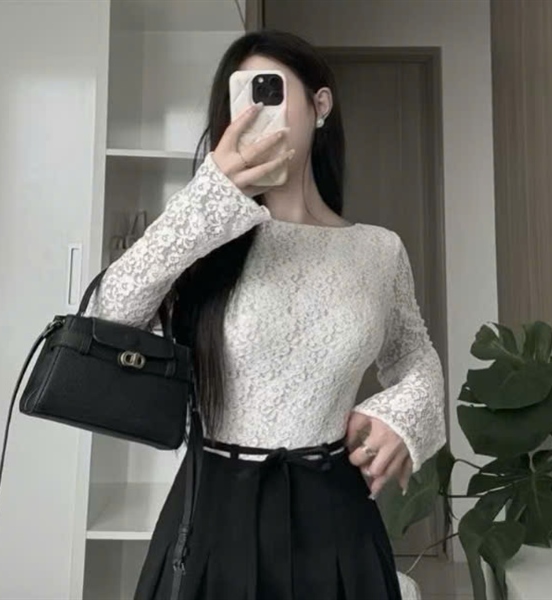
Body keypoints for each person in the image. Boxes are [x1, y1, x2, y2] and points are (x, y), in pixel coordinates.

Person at [86, 29, 446, 600]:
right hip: (213, 512)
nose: (255, 111)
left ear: (320, 105)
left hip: (336, 513)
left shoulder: (379, 250)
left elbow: (414, 356)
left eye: (269, 90)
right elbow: (110, 315)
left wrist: (403, 416)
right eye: (242, 97)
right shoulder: (204, 239)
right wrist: (210, 197)